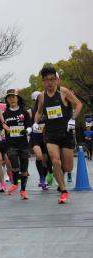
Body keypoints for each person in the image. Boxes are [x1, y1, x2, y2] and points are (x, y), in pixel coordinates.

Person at [34, 67, 82, 204]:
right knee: (55, 160)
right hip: (51, 134)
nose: (49, 82)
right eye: (46, 80)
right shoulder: (42, 96)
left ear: (57, 80)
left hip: (66, 133)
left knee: (68, 167)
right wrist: (35, 123)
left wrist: (73, 119)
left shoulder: (63, 92)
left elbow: (79, 104)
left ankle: (59, 173)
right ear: (43, 81)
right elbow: (38, 112)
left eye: (52, 79)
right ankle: (63, 190)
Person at [2, 89, 33, 199]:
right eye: (9, 98)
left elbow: (30, 126)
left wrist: (27, 131)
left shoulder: (24, 112)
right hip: (11, 144)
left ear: (17, 98)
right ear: (7, 100)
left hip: (23, 143)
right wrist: (0, 132)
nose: (12, 99)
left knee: (24, 170)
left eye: (13, 97)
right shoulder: (5, 114)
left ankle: (23, 191)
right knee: (15, 165)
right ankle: (15, 182)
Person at [29, 91, 50, 190]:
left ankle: (43, 178)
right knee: (39, 156)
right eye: (38, 99)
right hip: (35, 138)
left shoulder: (47, 110)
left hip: (46, 138)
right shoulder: (30, 112)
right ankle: (41, 178)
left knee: (45, 161)